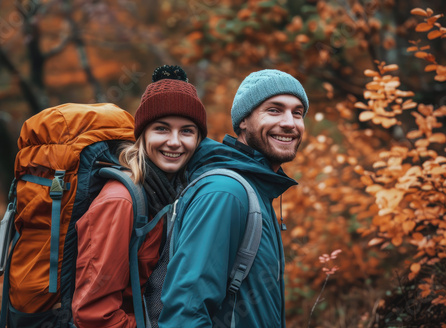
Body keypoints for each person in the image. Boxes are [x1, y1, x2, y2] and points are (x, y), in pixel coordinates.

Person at [158, 69, 309, 328]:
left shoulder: (257, 188)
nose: (289, 123)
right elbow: (185, 314)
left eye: (297, 113)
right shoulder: (226, 193)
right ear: (243, 121)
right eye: (274, 110)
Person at [72, 65, 207, 328]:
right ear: (142, 135)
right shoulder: (120, 202)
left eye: (187, 131)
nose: (175, 142)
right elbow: (93, 314)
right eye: (162, 129)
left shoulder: (177, 192)